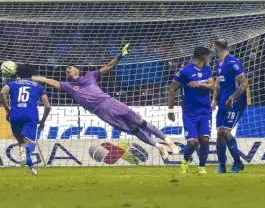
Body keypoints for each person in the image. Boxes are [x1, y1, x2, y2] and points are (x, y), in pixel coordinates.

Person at [32, 44, 178, 160]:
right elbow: (48, 80)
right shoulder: (68, 86)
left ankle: (168, 141)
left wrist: (120, 56)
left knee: (140, 122)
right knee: (132, 130)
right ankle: (159, 146)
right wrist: (29, 79)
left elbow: (108, 66)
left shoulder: (90, 76)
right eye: (66, 71)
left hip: (111, 103)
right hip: (101, 113)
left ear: (77, 70)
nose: (67, 71)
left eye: (70, 68)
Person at [168, 46, 214, 175]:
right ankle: (184, 162)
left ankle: (201, 167)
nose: (209, 58)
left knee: (204, 139)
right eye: (208, 56)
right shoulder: (184, 71)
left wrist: (200, 84)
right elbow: (171, 90)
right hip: (190, 112)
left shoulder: (207, 69)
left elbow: (213, 85)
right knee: (193, 142)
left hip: (205, 111)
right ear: (203, 57)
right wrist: (170, 111)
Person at [0, 64, 51, 175]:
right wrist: (42, 121)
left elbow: (2, 92)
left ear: (18, 73)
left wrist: (7, 110)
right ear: (31, 74)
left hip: (15, 115)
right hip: (30, 116)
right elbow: (47, 105)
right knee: (30, 143)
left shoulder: (12, 83)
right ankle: (27, 152)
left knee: (21, 142)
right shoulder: (37, 86)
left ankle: (32, 168)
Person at [212, 39, 248, 174]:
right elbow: (217, 82)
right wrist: (214, 99)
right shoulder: (218, 63)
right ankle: (222, 165)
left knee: (226, 132)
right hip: (222, 102)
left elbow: (244, 84)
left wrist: (232, 97)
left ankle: (237, 162)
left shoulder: (233, 62)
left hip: (235, 102)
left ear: (217, 48)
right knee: (219, 134)